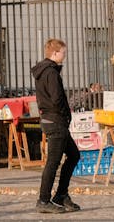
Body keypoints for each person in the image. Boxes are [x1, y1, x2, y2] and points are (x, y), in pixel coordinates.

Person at [31, 38, 80, 214]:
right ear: (55, 53)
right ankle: (43, 200)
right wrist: (66, 114)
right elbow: (57, 98)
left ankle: (61, 195)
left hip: (53, 120)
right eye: (63, 53)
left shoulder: (46, 70)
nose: (64, 56)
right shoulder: (50, 72)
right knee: (53, 162)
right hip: (56, 121)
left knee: (74, 155)